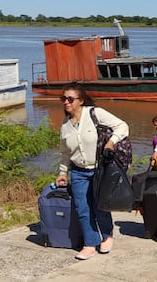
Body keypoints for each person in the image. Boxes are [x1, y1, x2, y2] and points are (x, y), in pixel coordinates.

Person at [55, 83, 129, 260]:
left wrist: (111, 142)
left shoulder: (95, 113)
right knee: (83, 208)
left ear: (80, 101)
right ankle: (89, 243)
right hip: (78, 172)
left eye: (70, 99)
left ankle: (107, 235)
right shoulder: (65, 125)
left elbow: (123, 126)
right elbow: (65, 153)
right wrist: (62, 173)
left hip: (99, 170)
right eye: (63, 98)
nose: (66, 102)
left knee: (100, 205)